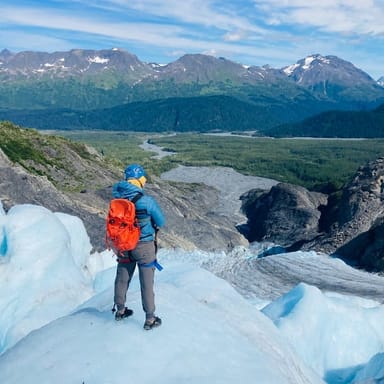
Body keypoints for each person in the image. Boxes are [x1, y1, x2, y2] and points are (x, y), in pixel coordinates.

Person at [112, 163, 165, 330]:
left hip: (123, 245)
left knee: (122, 277)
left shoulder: (117, 199)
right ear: (141, 180)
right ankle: (150, 319)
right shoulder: (147, 201)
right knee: (146, 283)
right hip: (144, 246)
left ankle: (120, 310)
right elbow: (161, 222)